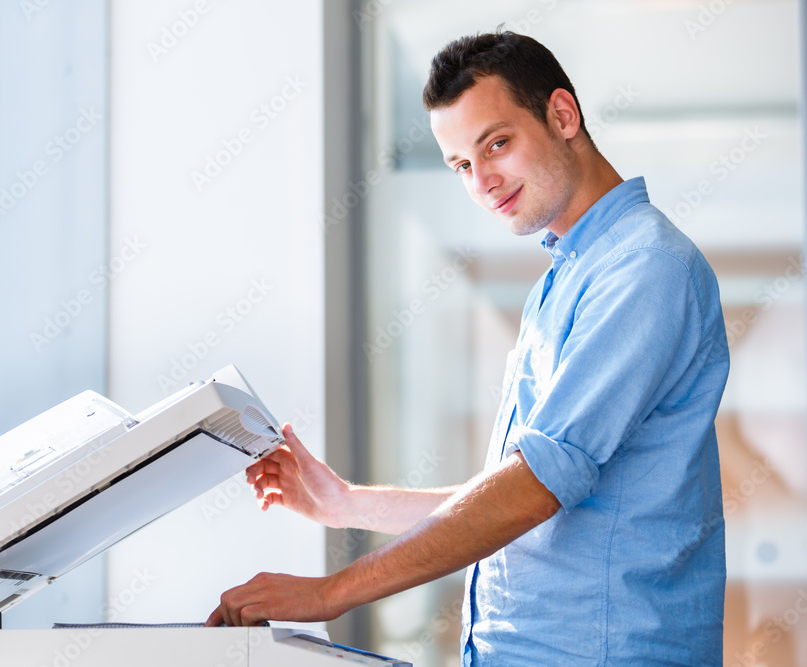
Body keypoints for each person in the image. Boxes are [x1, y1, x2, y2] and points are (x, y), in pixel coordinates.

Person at [206, 31, 730, 666]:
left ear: (562, 116)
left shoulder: (644, 268)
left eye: (497, 144)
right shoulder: (565, 278)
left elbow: (536, 485)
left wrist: (333, 593)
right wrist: (344, 503)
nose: (482, 181)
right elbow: (521, 493)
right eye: (460, 165)